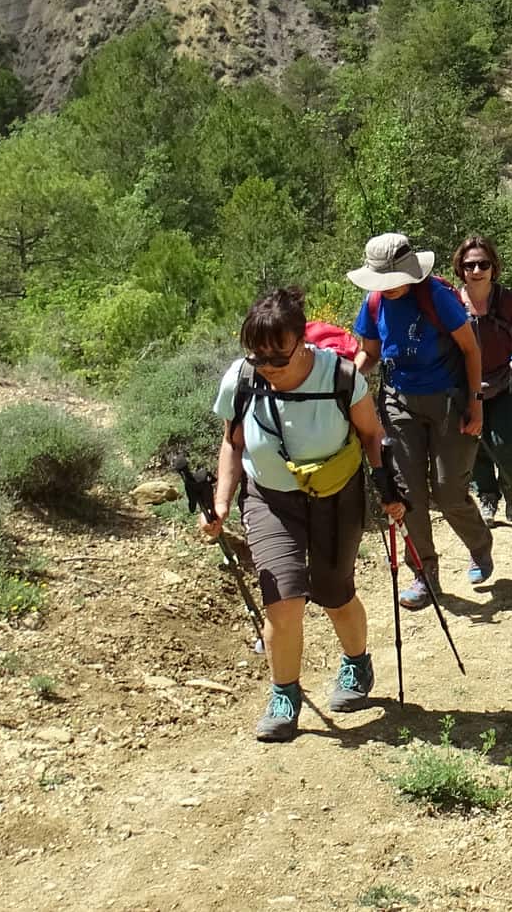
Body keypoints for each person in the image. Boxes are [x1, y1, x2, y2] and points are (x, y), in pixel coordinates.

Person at [200, 288, 404, 742]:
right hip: (271, 498)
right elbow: (233, 443)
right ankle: (284, 694)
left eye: (279, 356)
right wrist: (220, 502)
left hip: (337, 494)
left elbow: (372, 435)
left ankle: (356, 665)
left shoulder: (341, 377)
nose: (269, 367)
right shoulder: (242, 379)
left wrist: (387, 489)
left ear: (302, 341)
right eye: (259, 358)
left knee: (334, 592)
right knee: (284, 597)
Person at [348, 232, 491, 606]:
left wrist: (475, 404)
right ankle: (424, 574)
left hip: (448, 401)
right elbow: (369, 354)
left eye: (392, 279)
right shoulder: (375, 301)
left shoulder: (436, 296)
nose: (388, 287)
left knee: (447, 491)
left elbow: (470, 349)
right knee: (407, 494)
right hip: (398, 402)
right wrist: (343, 382)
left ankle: (479, 544)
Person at [452, 237, 512, 526]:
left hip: (504, 381)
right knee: (475, 442)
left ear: (493, 267)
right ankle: (487, 494)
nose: (476, 270)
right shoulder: (452, 301)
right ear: (460, 268)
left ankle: (511, 490)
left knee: (504, 442)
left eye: (483, 264)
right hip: (467, 384)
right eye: (469, 265)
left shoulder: (506, 299)